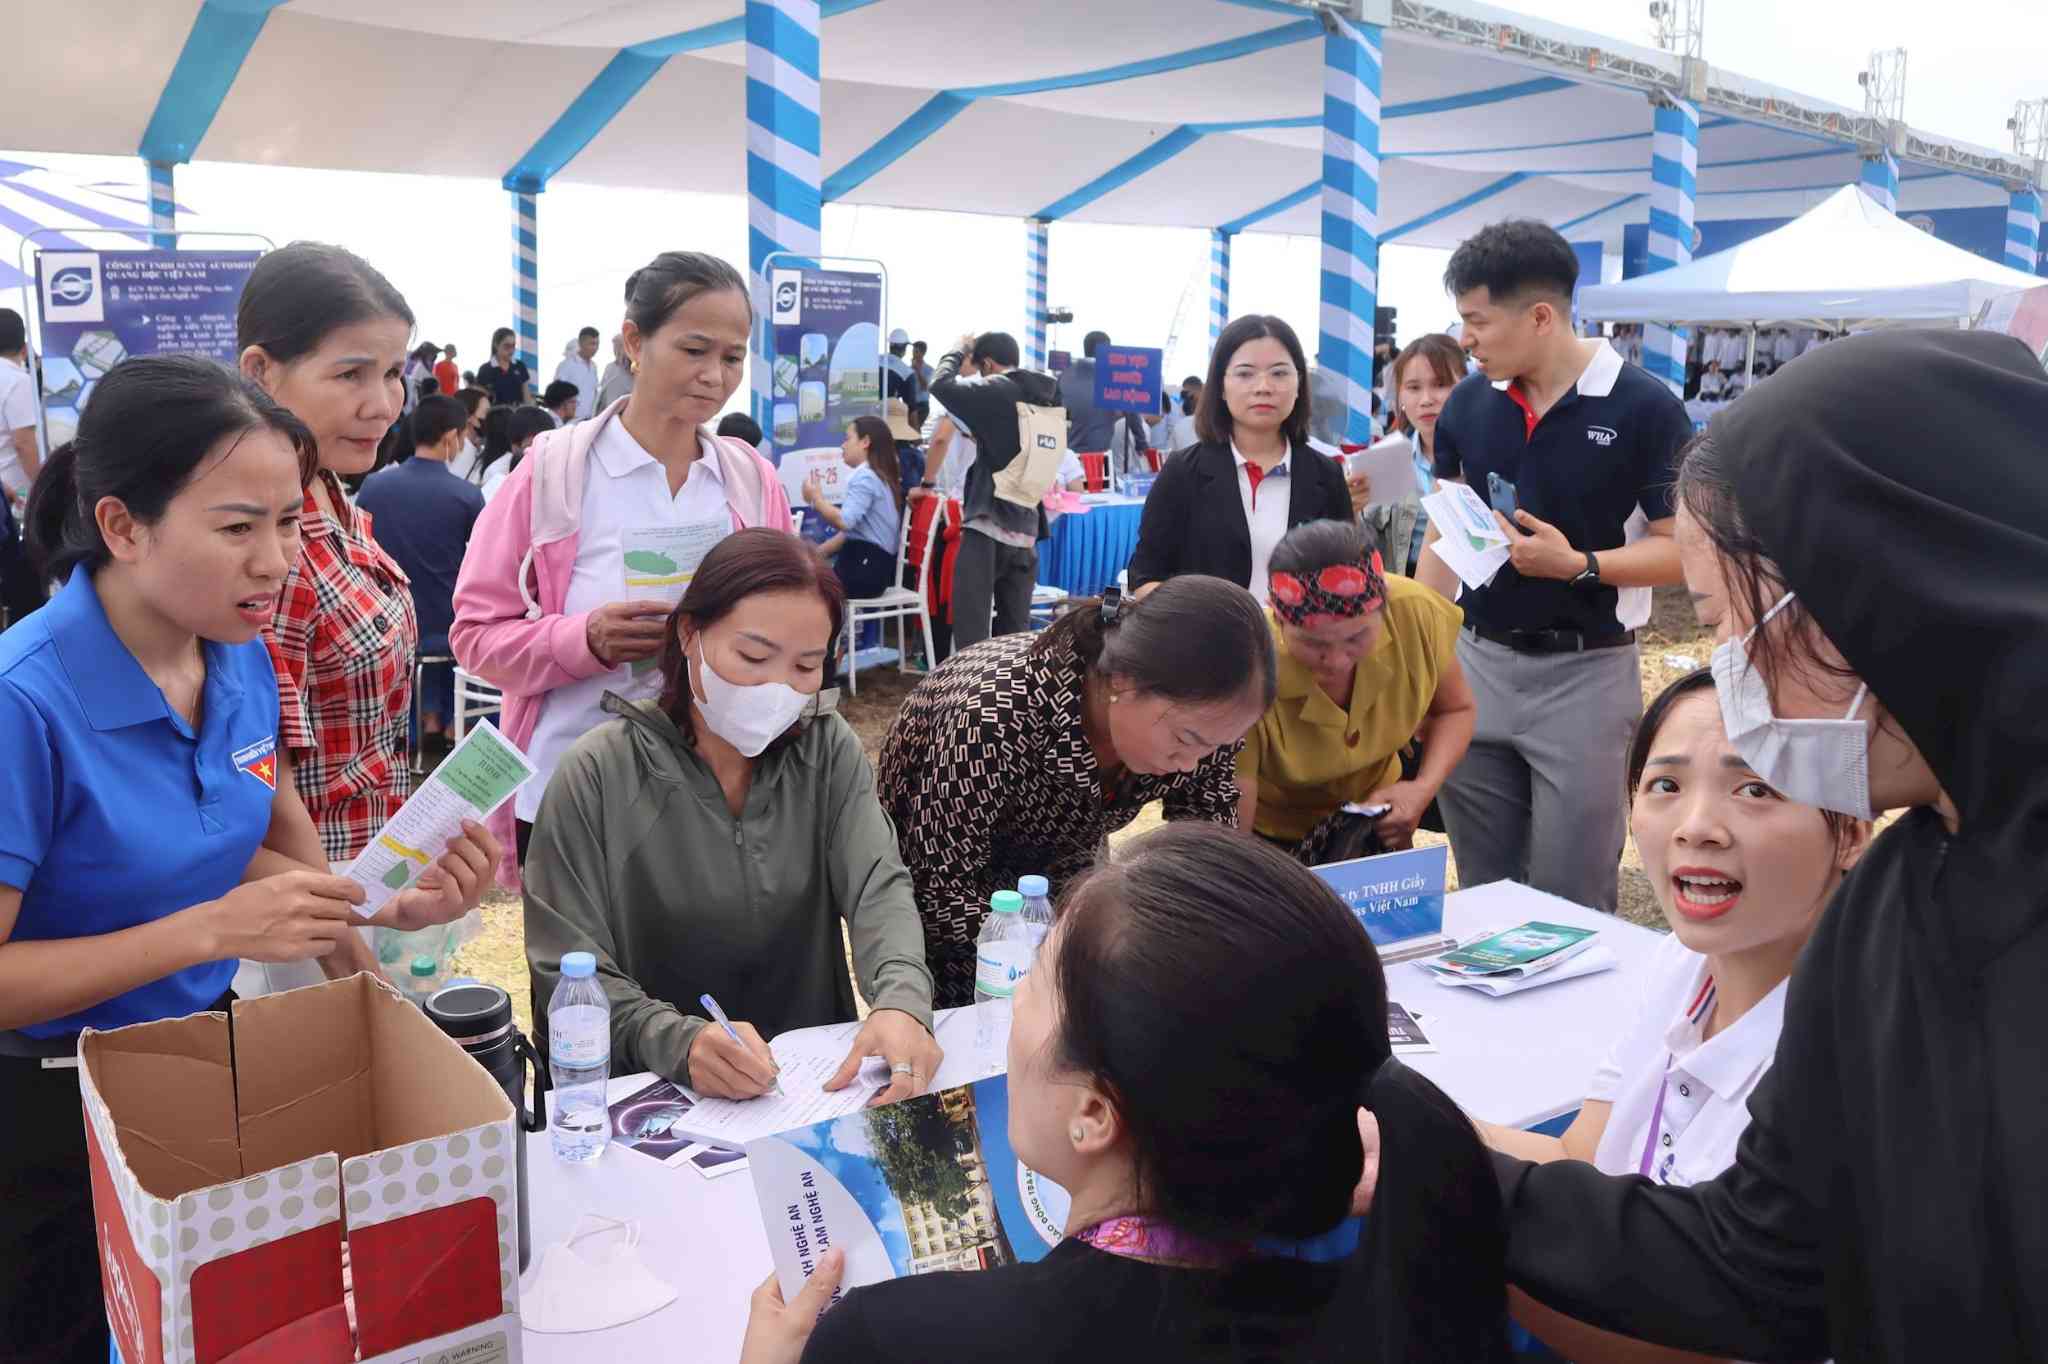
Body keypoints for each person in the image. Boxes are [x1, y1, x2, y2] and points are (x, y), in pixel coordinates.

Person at [1486, 330, 2048, 1362]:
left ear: (1869, 591)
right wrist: (1406, 1135)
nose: (1725, 676)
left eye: (1723, 621)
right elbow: (1759, 1259)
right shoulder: (1897, 895)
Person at [0, 356, 492, 1364]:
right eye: (238, 527)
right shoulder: (24, 703)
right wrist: (212, 928)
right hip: (47, 1112)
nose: (276, 561)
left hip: (204, 1064)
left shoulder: (235, 651)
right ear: (123, 526)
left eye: (291, 524)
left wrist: (372, 913)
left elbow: (264, 843)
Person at [739, 822, 1512, 1364]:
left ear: (1094, 1115)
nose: (1010, 1013)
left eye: (1033, 985)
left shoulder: (892, 1340)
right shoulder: (1394, 1306)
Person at [1479, 667, 1867, 1362]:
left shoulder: (1864, 1051)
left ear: (1852, 832)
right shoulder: (1680, 965)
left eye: (1756, 788)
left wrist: (1452, 1218)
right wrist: (1406, 1120)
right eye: (1666, 785)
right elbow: (1580, 1158)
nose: (1697, 828)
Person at [524, 528, 937, 1101]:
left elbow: (877, 886)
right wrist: (676, 1041)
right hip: (656, 1095)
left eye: (806, 665)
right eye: (752, 656)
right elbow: (567, 967)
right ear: (690, 633)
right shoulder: (597, 774)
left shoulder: (825, 747)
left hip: (810, 1084)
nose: (776, 687)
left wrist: (900, 1001)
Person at [453, 250, 793, 889]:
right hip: (573, 794)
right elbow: (475, 636)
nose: (715, 376)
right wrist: (582, 640)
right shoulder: (555, 474)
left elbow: (793, 625)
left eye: (733, 356)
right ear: (634, 341)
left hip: (716, 793)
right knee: (579, 983)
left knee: (702, 983)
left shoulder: (748, 480)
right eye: (695, 350)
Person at [1420, 219, 1691, 914]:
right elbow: (1445, 532)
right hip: (1476, 667)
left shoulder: (1646, 409)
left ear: (1541, 316)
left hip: (1587, 677)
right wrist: (1418, 657)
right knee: (1484, 892)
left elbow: (1680, 548)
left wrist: (1580, 564)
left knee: (1573, 900)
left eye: (1476, 322)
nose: (1466, 341)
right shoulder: (1470, 406)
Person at [878, 575, 1274, 1006]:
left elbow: (1208, 840)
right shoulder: (992, 718)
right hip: (949, 912)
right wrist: (1071, 949)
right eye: (1186, 740)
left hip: (1058, 877)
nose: (1193, 764)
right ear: (1124, 681)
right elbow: (935, 891)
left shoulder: (1207, 721)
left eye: (1217, 746)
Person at [236, 245, 428, 864]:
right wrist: (343, 941)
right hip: (313, 900)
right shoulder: (271, 549)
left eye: (394, 372)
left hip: (374, 871)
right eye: (351, 374)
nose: (383, 404)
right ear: (261, 372)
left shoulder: (336, 497)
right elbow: (262, 790)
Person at [1235, 519, 1473, 860]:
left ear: (1384, 611)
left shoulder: (1415, 614)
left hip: (1378, 825)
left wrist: (1420, 789)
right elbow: (1234, 816)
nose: (1335, 660)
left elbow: (1455, 710)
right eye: (1312, 642)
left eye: (1356, 638)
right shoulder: (1249, 669)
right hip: (1272, 839)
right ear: (1279, 620)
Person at [1126, 315, 1355, 603]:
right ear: (1221, 386)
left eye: (1279, 373)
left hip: (1302, 645)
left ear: (1299, 385)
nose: (1263, 387)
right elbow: (1144, 578)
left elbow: (1347, 579)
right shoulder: (1184, 472)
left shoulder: (1326, 476)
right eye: (1245, 374)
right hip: (1207, 642)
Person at [355, 395, 486, 744]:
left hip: (386, 623)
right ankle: (445, 721)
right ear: (450, 438)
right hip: (446, 625)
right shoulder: (467, 496)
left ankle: (423, 718)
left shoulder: (374, 487)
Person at [926, 330, 1059, 648]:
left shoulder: (997, 389)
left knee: (971, 629)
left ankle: (970, 695)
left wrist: (957, 350)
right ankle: (1011, 696)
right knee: (1016, 637)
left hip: (988, 524)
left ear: (986, 363)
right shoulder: (1046, 395)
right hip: (1027, 528)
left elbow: (939, 385)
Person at [1372, 333, 1463, 578]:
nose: (1426, 400)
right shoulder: (1383, 461)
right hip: (1404, 598)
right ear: (1400, 396)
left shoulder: (1490, 455)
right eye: (1413, 388)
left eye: (1440, 385)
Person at [803, 414, 903, 601]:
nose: (843, 445)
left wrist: (817, 499)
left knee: (801, 588)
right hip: (873, 570)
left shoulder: (865, 476)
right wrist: (817, 553)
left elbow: (845, 522)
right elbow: (851, 531)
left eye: (848, 438)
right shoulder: (877, 475)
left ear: (865, 442)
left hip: (863, 571)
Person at [0, 308, 43, 622]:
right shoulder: (17, 381)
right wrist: (42, 489)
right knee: (25, 586)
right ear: (24, 347)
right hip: (16, 494)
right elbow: (24, 442)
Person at [470, 405, 556, 502]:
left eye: (545, 444)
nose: (538, 452)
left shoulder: (557, 472)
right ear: (514, 445)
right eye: (531, 446)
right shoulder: (497, 474)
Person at [1058, 329, 1119, 456]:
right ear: (1107, 350)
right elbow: (1130, 411)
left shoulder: (1064, 375)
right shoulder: (1112, 377)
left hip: (1071, 453)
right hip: (1100, 455)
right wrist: (1141, 442)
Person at [474, 327, 533, 407]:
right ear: (496, 345)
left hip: (518, 416)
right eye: (507, 346)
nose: (511, 350)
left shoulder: (520, 366)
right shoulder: (485, 369)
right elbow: (480, 400)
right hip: (495, 416)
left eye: (513, 346)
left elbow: (527, 396)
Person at [554, 326, 601, 421]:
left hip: (590, 420)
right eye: (592, 344)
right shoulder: (566, 365)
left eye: (597, 344)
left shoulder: (593, 367)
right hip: (570, 421)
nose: (595, 348)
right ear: (581, 343)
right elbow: (557, 393)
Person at [446, 385, 491, 482]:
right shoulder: (461, 450)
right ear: (469, 417)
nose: (490, 418)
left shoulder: (473, 446)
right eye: (486, 413)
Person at [596, 331, 635, 410]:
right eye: (614, 346)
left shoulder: (635, 367)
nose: (615, 350)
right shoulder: (611, 368)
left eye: (618, 346)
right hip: (613, 411)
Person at [400, 341, 439, 413]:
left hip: (418, 391)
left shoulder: (429, 364)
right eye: (432, 353)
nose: (434, 356)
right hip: (409, 388)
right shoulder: (409, 358)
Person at [882, 326, 914, 404]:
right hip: (889, 413)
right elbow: (911, 408)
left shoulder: (873, 361)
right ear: (904, 347)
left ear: (890, 345)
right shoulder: (907, 372)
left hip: (867, 411)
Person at [907, 338, 932, 426]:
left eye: (916, 351)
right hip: (910, 405)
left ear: (923, 353)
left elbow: (925, 387)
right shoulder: (908, 369)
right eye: (913, 351)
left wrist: (917, 370)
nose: (913, 354)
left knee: (914, 431)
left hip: (922, 406)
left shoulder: (929, 370)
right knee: (910, 432)